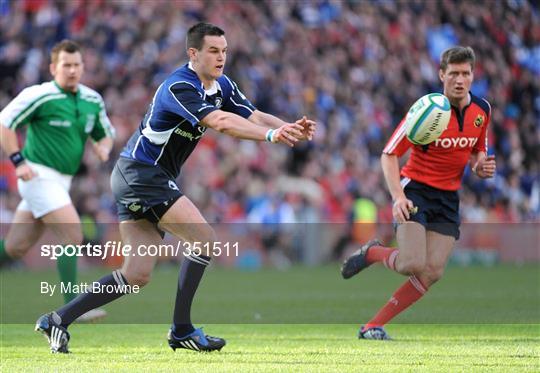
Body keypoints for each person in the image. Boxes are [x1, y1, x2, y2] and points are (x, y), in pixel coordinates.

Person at [36, 22, 315, 353]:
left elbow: (251, 114)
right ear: (193, 53)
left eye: (224, 51)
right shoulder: (179, 87)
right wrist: (271, 136)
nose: (221, 57)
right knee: (204, 239)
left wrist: (286, 127)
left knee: (135, 275)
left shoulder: (222, 85)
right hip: (143, 174)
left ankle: (57, 319)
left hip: (136, 176)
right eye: (213, 51)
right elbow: (221, 122)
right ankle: (182, 329)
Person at [341, 46, 496, 340]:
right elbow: (389, 154)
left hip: (448, 198)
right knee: (412, 263)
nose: (460, 80)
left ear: (473, 75)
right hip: (416, 192)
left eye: (465, 74)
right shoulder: (427, 111)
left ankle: (373, 326)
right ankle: (373, 252)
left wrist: (480, 167)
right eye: (454, 74)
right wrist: (399, 196)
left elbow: (477, 151)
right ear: (441, 75)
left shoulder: (482, 110)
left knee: (432, 271)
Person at [0, 40, 115, 322]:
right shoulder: (39, 95)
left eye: (77, 65)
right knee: (72, 235)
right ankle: (71, 309)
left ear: (83, 67)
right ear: (53, 68)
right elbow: (5, 122)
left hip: (61, 182)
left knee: (15, 247)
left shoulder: (92, 100)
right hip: (37, 176)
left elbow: (106, 131)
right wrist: (18, 161)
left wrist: (103, 146)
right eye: (66, 65)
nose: (72, 70)